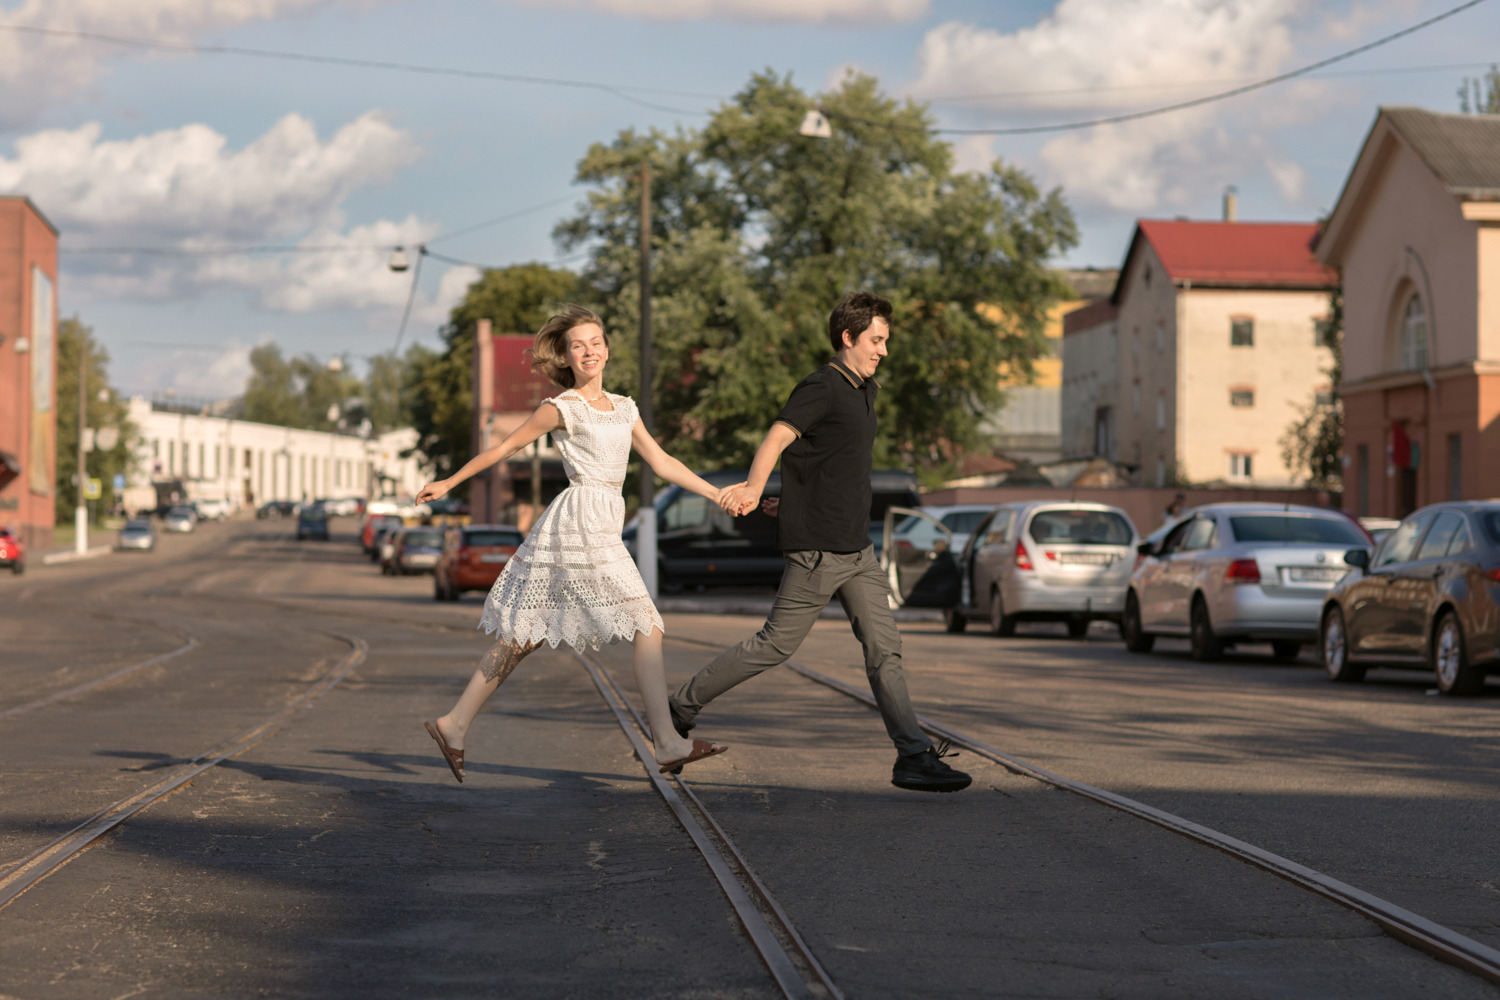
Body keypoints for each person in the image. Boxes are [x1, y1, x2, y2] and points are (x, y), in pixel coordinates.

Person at [668, 291, 971, 793]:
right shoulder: (822, 386)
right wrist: (755, 486)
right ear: (848, 338)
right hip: (819, 551)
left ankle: (913, 756)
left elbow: (829, 462)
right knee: (774, 645)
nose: (884, 351)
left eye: (886, 341)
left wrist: (794, 499)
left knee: (884, 650)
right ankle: (679, 707)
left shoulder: (864, 389)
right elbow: (779, 437)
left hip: (857, 550)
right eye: (877, 340)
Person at [419, 304, 729, 782]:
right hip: (578, 520)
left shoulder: (625, 408)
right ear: (565, 357)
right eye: (577, 346)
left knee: (527, 635)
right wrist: (449, 482)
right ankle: (667, 742)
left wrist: (716, 493)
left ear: (607, 349)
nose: (589, 352)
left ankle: (453, 723)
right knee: (646, 622)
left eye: (595, 343)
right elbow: (504, 448)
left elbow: (663, 462)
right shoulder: (562, 408)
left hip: (604, 520)